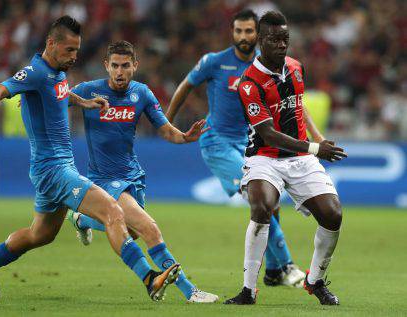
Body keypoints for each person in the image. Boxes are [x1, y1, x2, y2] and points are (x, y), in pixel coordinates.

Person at [0, 16, 183, 302]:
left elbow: (61, 94)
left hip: (54, 169)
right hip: (54, 170)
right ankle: (149, 278)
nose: (74, 56)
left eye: (77, 50)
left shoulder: (58, 72)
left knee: (39, 235)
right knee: (113, 212)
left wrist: (85, 102)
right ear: (51, 44)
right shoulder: (36, 72)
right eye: (69, 50)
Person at [165, 9, 311, 287]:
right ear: (232, 33)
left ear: (258, 34)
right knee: (260, 200)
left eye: (249, 31)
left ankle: (272, 272)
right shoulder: (214, 62)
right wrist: (167, 125)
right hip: (217, 143)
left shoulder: (264, 67)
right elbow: (185, 86)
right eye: (238, 31)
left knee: (271, 201)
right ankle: (289, 266)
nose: (243, 37)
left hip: (251, 143)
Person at [67, 40, 219, 303]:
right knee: (150, 229)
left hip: (132, 175)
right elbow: (58, 97)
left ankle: (81, 219)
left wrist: (185, 137)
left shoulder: (142, 94)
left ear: (135, 66)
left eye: (125, 66)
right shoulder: (89, 91)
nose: (119, 71)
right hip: (103, 179)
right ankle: (190, 291)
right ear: (106, 65)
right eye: (114, 65)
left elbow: (165, 130)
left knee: (133, 232)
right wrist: (36, 102)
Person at [223, 11, 347, 306]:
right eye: (274, 39)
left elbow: (298, 107)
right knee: (262, 207)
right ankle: (248, 290)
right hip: (265, 157)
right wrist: (316, 149)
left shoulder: (296, 68)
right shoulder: (249, 83)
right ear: (259, 41)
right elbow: (268, 134)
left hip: (302, 157)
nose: (281, 44)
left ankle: (314, 281)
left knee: (333, 216)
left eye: (285, 39)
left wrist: (317, 140)